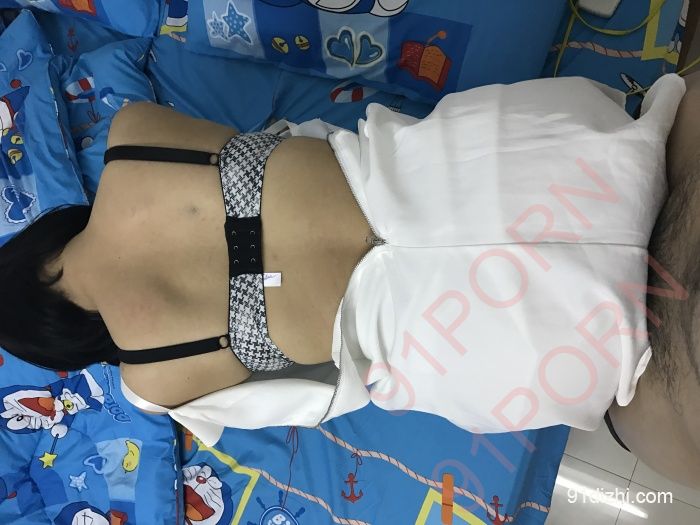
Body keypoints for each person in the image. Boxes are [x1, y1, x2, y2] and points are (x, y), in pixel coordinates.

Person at [0, 72, 697, 488]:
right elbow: (285, 137)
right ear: (35, 251)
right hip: (486, 162)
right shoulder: (132, 136)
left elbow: (309, 393)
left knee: (609, 384)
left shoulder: (151, 380)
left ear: (59, 339)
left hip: (483, 332)